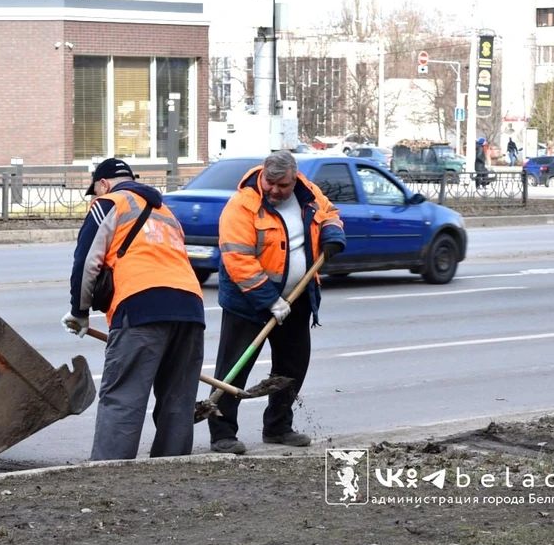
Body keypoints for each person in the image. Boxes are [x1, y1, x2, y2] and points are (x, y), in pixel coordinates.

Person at [62, 158, 206, 461]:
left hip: (142, 305)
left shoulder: (108, 203)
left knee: (123, 397)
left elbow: (87, 261)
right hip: (190, 308)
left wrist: (80, 311)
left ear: (101, 184)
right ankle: (172, 471)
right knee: (177, 401)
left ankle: (110, 475)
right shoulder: (165, 212)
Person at [208, 150, 346, 454]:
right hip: (249, 301)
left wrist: (332, 234)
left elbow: (330, 213)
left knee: (292, 366)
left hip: (298, 298)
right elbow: (238, 260)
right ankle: (222, 433)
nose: (274, 190)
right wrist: (270, 300)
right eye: (269, 183)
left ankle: (278, 426)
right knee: (233, 368)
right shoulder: (242, 206)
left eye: (281, 185)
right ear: (263, 176)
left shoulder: (308, 194)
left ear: (293, 178)